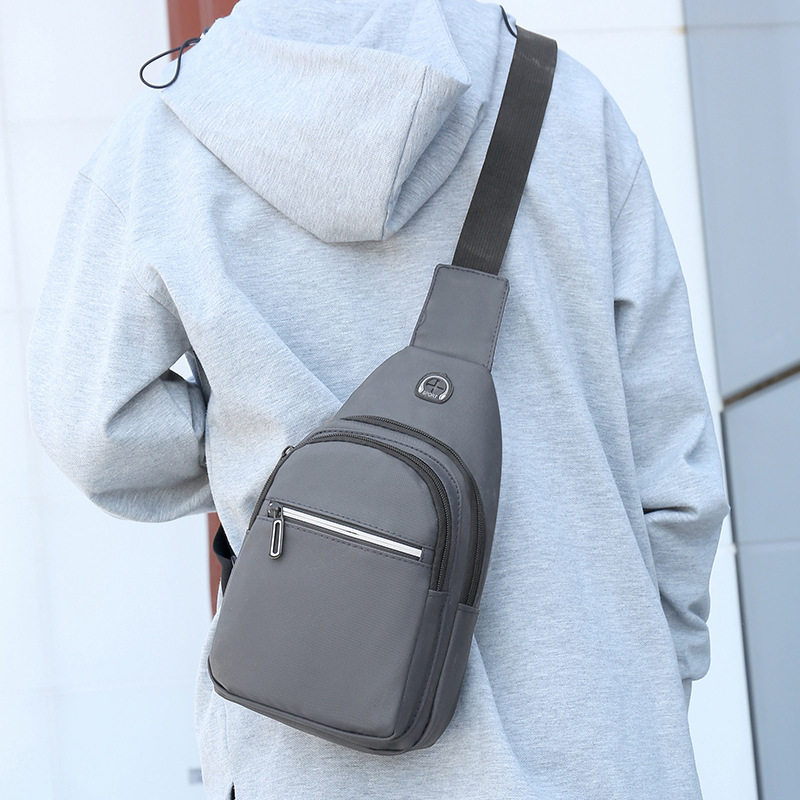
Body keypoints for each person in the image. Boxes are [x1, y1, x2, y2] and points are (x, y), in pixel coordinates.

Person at [27, 0, 730, 797]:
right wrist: (650, 689)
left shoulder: (159, 144)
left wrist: (272, 458)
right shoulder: (567, 104)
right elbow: (676, 472)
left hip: (309, 752)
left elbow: (93, 428)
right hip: (595, 741)